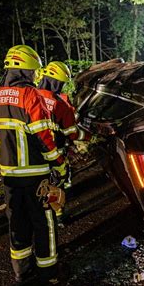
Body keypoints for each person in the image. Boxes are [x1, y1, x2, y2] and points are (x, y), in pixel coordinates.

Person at [0, 45, 68, 283]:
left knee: (17, 223)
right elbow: (44, 136)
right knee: (43, 222)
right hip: (36, 174)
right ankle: (48, 271)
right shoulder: (31, 96)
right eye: (34, 71)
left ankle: (21, 271)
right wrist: (59, 164)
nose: (35, 76)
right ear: (28, 71)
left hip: (9, 176)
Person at [36, 61, 91, 222]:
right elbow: (71, 132)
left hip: (31, 154)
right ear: (57, 82)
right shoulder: (60, 103)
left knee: (36, 188)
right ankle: (59, 217)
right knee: (55, 186)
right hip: (54, 153)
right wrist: (89, 136)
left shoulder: (29, 96)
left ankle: (37, 218)